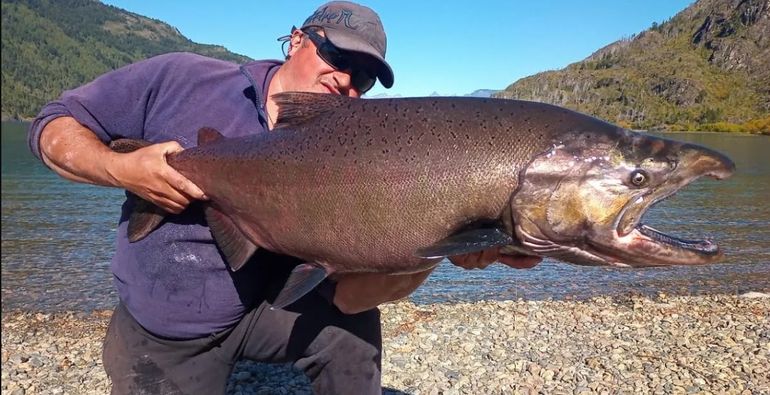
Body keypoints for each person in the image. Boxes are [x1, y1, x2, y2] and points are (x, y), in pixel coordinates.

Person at [28, 1, 541, 394]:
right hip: (171, 327)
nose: (346, 79)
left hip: (278, 306)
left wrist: (444, 244)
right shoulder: (180, 78)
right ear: (296, 40)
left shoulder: (359, 147)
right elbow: (55, 127)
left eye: (363, 75)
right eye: (336, 56)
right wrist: (119, 167)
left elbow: (351, 297)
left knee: (354, 332)